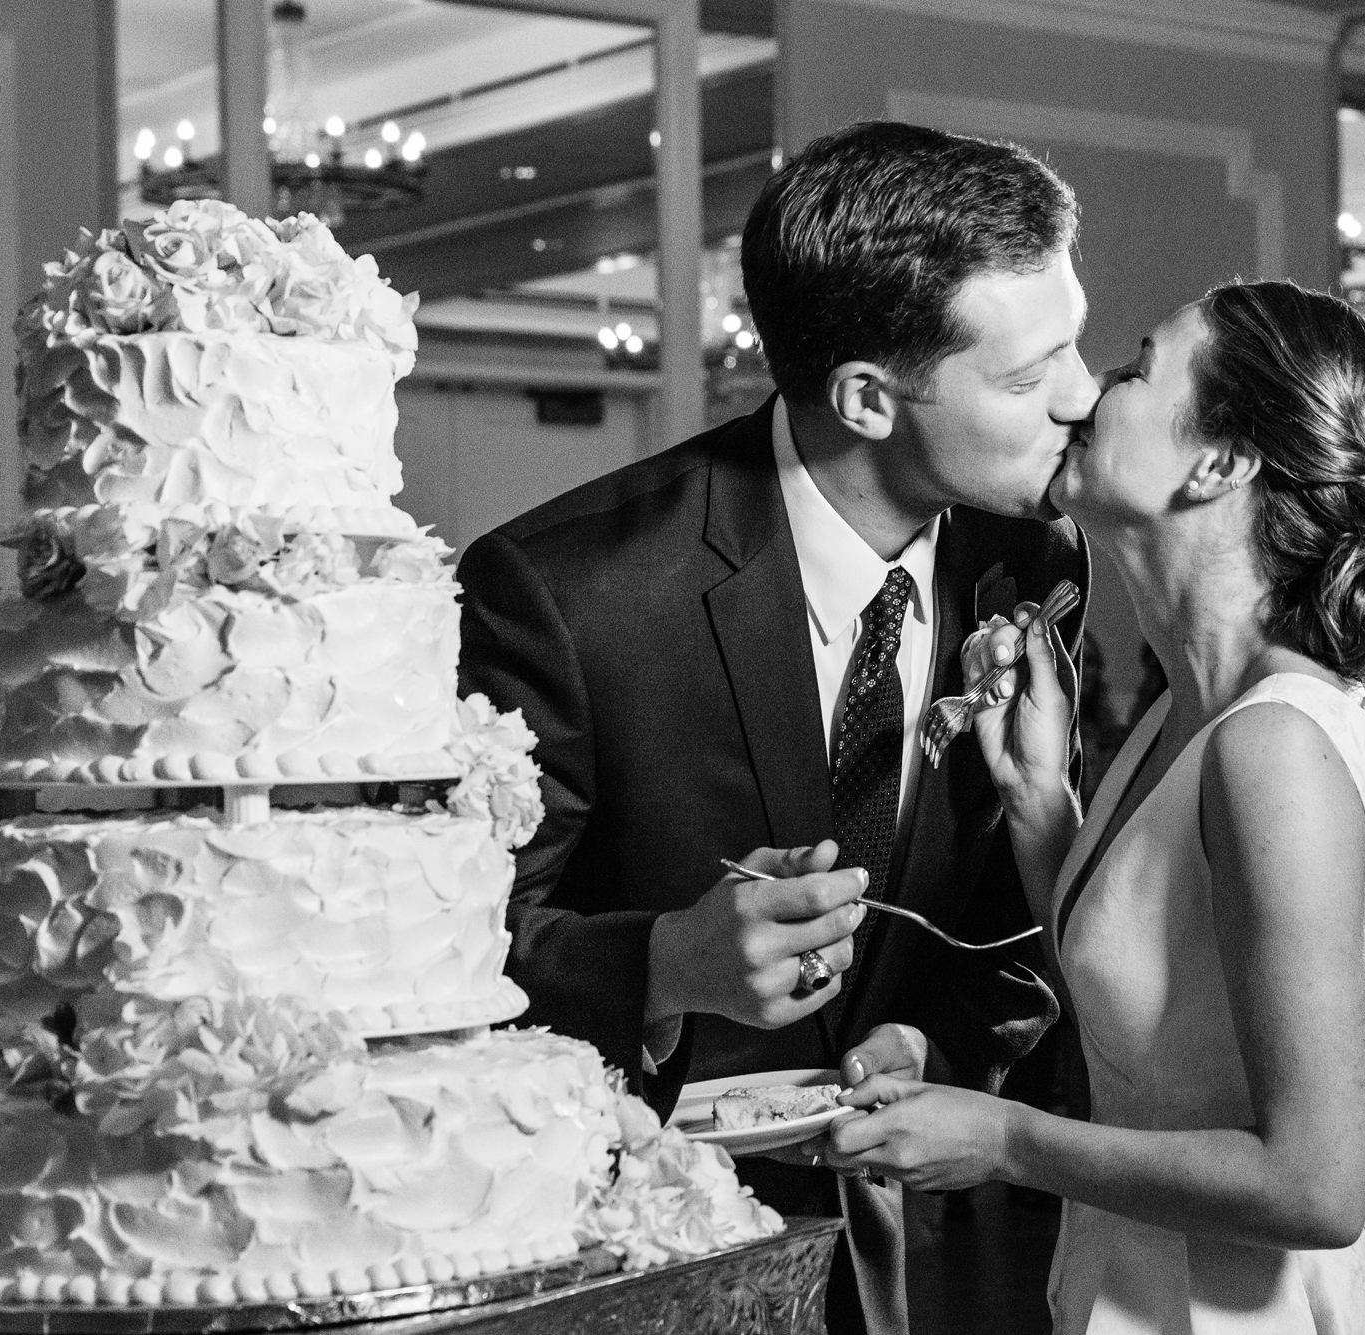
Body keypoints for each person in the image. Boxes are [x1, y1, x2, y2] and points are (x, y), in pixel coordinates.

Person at [456, 122, 1094, 1335]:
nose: (1079, 397)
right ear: (864, 396)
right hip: (621, 1258)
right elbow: (440, 955)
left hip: (887, 1249)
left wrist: (946, 1042)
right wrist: (660, 964)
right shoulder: (565, 591)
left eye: (1073, 344)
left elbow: (1009, 912)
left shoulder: (1036, 558)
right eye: (1026, 375)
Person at [824, 280, 1365, 1333]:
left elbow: (1314, 1189)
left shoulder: (1274, 745)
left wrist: (1003, 1138)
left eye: (1129, 370)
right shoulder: (1192, 717)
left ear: (1217, 463)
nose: (1079, 397)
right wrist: (1040, 800)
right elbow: (1159, 1028)